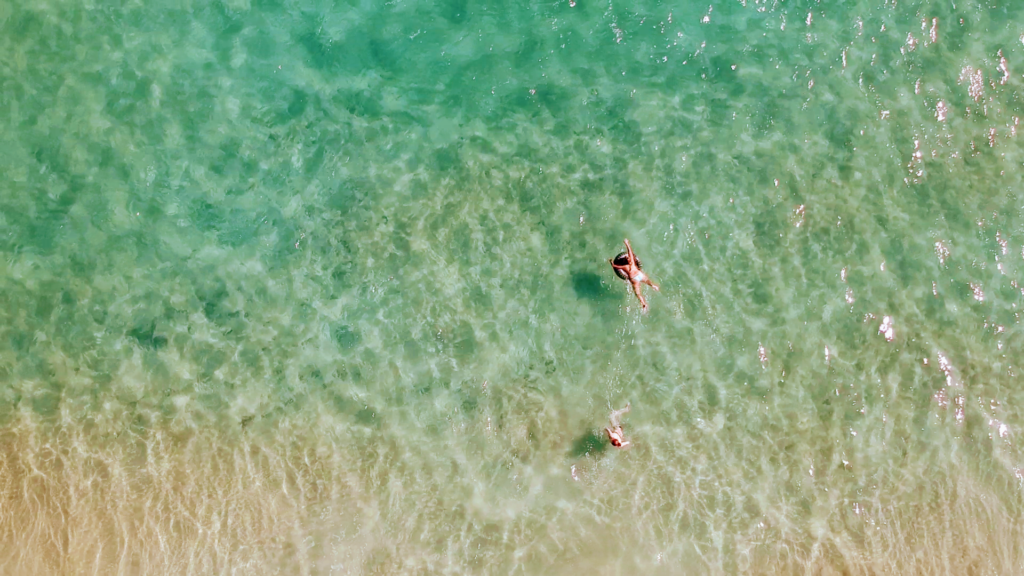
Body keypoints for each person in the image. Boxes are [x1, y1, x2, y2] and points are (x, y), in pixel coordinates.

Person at [609, 239, 659, 311]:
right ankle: (653, 286)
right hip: (639, 274)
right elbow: (630, 252)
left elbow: (616, 266)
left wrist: (612, 263)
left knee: (638, 293)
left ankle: (643, 303)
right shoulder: (632, 261)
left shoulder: (625, 267)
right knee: (647, 281)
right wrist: (627, 244)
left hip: (634, 279)